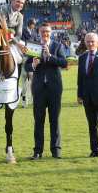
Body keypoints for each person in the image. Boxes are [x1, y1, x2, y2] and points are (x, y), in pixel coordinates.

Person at [24, 23, 68, 160]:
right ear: (39, 32)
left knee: (54, 120)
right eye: (43, 31)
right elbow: (26, 66)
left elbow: (64, 63)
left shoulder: (57, 46)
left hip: (54, 88)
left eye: (47, 32)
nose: (45, 34)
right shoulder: (33, 46)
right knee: (38, 121)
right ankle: (38, 151)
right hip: (38, 89)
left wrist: (50, 56)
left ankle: (56, 150)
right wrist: (33, 65)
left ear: (51, 33)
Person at [20, 19, 38, 107]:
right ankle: (23, 98)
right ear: (30, 24)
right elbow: (22, 43)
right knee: (24, 79)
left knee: (32, 78)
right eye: (33, 24)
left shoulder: (34, 32)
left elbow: (36, 43)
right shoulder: (23, 31)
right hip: (24, 57)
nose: (34, 26)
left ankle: (33, 98)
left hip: (31, 58)